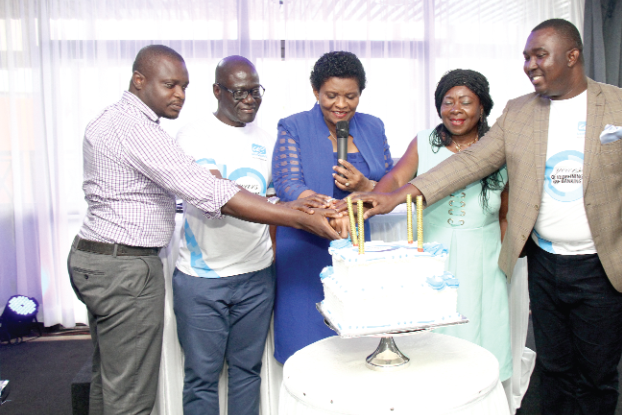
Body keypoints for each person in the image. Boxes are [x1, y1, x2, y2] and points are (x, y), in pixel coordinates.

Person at [356, 19, 622, 415]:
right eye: (526, 57)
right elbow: (469, 162)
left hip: (602, 265)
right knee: (554, 370)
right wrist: (399, 196)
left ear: (572, 55)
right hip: (544, 264)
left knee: (596, 375)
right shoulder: (520, 111)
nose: (529, 65)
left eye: (539, 55)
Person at [67, 45, 340, 415]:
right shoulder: (140, 129)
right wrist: (298, 218)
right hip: (130, 269)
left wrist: (293, 204)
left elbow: (271, 189)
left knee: (111, 381)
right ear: (138, 80)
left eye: (183, 86)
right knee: (130, 395)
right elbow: (211, 193)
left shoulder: (121, 121)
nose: (179, 94)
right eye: (169, 85)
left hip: (113, 260)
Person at [373, 69, 512, 381]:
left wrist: (504, 262)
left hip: (485, 258)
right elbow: (396, 178)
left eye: (465, 102)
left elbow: (506, 213)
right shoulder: (424, 142)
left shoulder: (500, 150)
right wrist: (376, 197)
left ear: (483, 108)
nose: (456, 109)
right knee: (434, 337)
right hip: (433, 253)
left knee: (482, 329)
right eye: (448, 102)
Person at [172, 56, 279, 415]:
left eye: (255, 91)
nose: (250, 99)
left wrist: (274, 249)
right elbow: (216, 192)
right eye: (239, 92)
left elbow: (277, 201)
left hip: (256, 275)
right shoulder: (193, 135)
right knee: (202, 377)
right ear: (217, 91)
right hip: (204, 280)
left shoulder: (268, 140)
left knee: (247, 371)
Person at [272, 51, 394, 363]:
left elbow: (392, 181)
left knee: (354, 353)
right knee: (306, 351)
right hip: (304, 247)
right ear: (315, 92)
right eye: (331, 95)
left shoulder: (374, 126)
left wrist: (365, 185)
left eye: (350, 96)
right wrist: (332, 209)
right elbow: (288, 184)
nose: (341, 104)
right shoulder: (293, 126)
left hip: (354, 247)